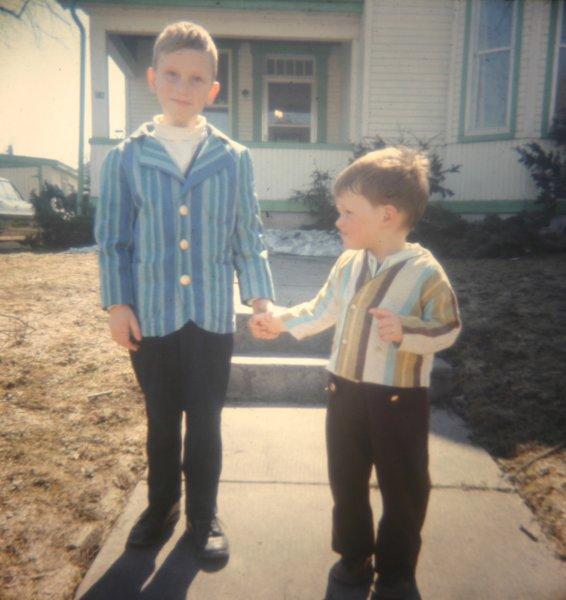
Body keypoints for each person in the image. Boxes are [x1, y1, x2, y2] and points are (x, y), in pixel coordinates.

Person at [95, 21, 274, 559]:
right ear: (153, 78)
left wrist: (260, 298)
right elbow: (113, 240)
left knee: (206, 421)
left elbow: (250, 234)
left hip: (210, 317)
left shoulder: (233, 157)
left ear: (212, 91)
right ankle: (161, 506)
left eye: (196, 79)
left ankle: (203, 514)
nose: (182, 86)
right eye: (172, 74)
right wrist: (118, 304)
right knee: (160, 420)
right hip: (151, 316)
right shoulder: (127, 157)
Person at [249, 147, 461, 599]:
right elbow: (322, 308)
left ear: (387, 214)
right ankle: (353, 554)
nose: (338, 221)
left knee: (403, 487)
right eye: (338, 212)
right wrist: (282, 320)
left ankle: (398, 569)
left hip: (398, 399)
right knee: (346, 479)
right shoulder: (349, 262)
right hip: (343, 390)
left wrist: (407, 329)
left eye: (348, 212)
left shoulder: (425, 273)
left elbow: (447, 328)